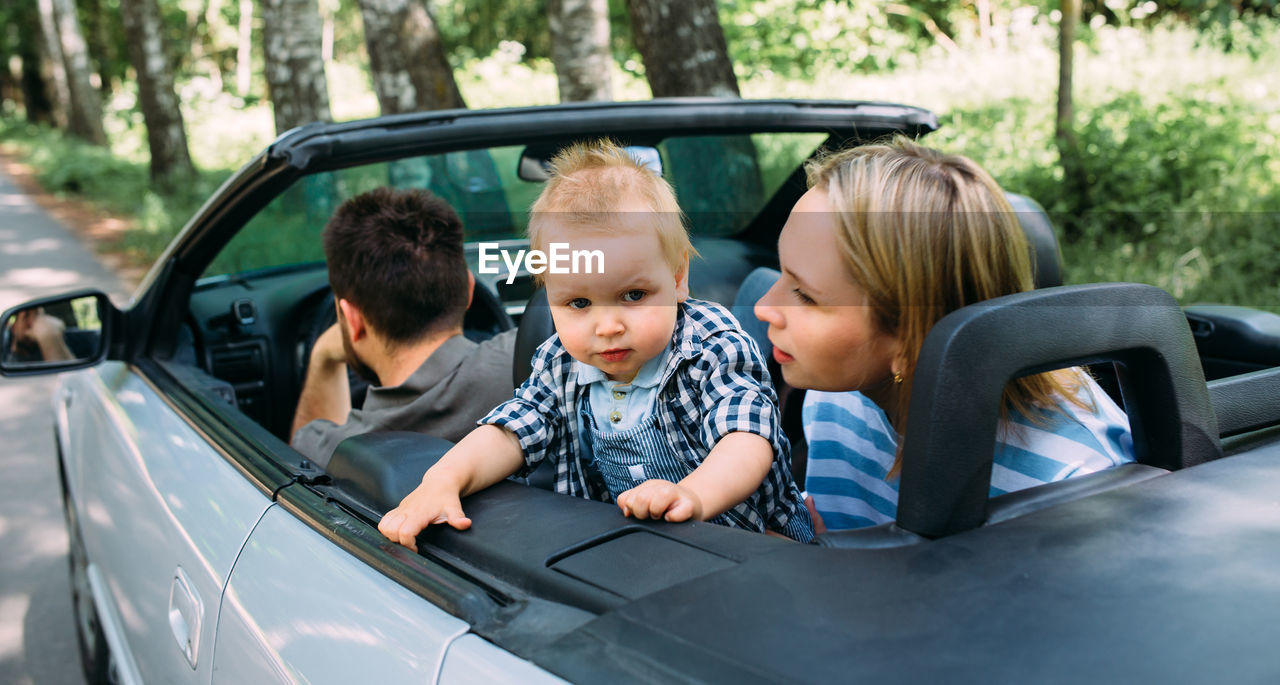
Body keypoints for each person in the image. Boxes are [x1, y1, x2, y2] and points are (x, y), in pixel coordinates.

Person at [378, 140, 813, 549]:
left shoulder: (710, 345)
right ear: (548, 295)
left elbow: (746, 439)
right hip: (640, 551)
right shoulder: (560, 362)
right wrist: (443, 480)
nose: (607, 326)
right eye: (579, 303)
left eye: (633, 296)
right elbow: (511, 434)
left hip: (756, 544)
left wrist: (691, 496)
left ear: (678, 278)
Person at [751, 136, 1134, 532]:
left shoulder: (1073, 482)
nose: (763, 307)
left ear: (911, 337)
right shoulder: (837, 394)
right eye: (782, 273)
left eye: (805, 296)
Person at [289, 187, 517, 467]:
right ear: (469, 289)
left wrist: (323, 356)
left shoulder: (333, 452)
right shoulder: (538, 364)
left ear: (352, 319)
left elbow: (303, 470)